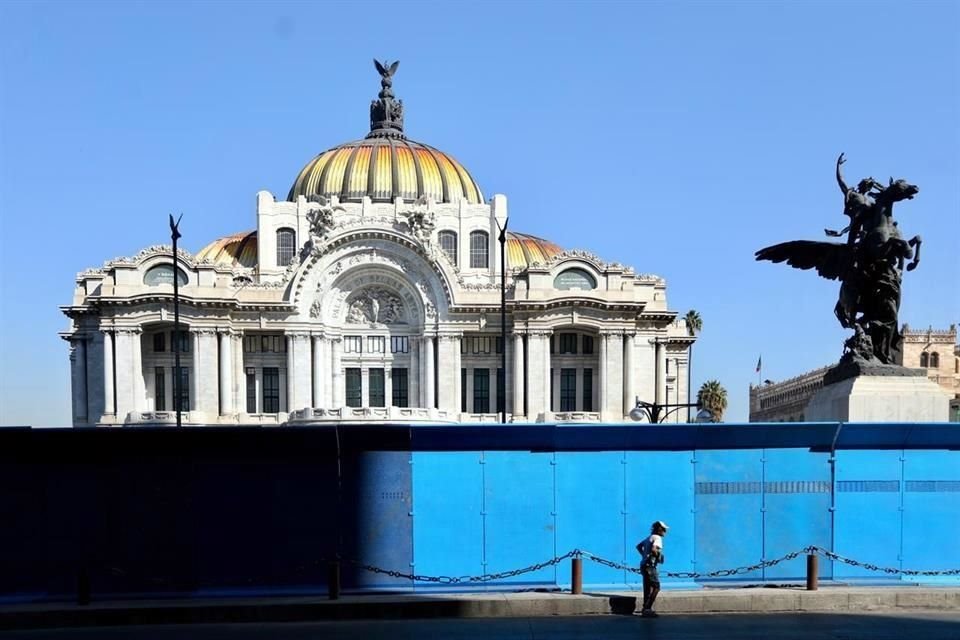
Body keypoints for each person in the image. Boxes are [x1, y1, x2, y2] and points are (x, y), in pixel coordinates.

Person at [636, 520, 668, 617]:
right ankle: (647, 608)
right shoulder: (657, 538)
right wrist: (659, 557)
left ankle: (645, 609)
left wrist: (644, 556)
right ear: (659, 529)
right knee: (656, 587)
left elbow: (638, 546)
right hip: (650, 566)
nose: (665, 532)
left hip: (643, 565)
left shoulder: (649, 537)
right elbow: (654, 549)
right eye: (664, 529)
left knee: (647, 588)